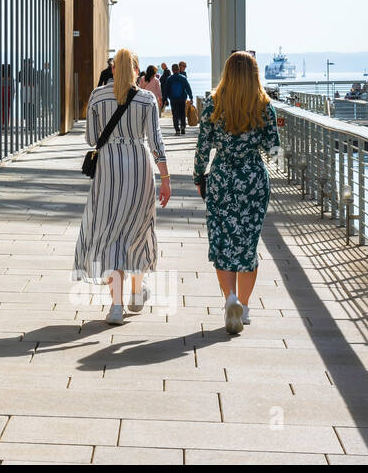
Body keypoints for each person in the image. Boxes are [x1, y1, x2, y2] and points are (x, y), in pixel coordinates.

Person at [73, 48, 171, 326]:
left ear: (114, 69)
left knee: (110, 231)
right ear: (137, 71)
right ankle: (137, 292)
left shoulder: (96, 96)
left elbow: (92, 138)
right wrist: (165, 179)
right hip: (139, 168)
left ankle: (115, 306)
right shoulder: (147, 99)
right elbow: (156, 142)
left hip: (108, 170)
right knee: (138, 229)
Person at [192, 51, 281, 335]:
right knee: (247, 244)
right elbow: (274, 150)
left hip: (222, 178)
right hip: (253, 179)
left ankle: (230, 298)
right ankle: (243, 304)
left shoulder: (213, 105)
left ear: (227, 73)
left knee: (222, 242)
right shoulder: (265, 107)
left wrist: (198, 176)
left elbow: (202, 147)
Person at [164, 62, 193, 135]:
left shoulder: (169, 79)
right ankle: (183, 127)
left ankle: (177, 129)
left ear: (172, 70)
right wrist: (191, 97)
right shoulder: (183, 78)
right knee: (182, 113)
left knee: (175, 114)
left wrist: (165, 99)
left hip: (173, 99)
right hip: (182, 98)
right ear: (178, 69)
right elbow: (188, 88)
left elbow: (166, 90)